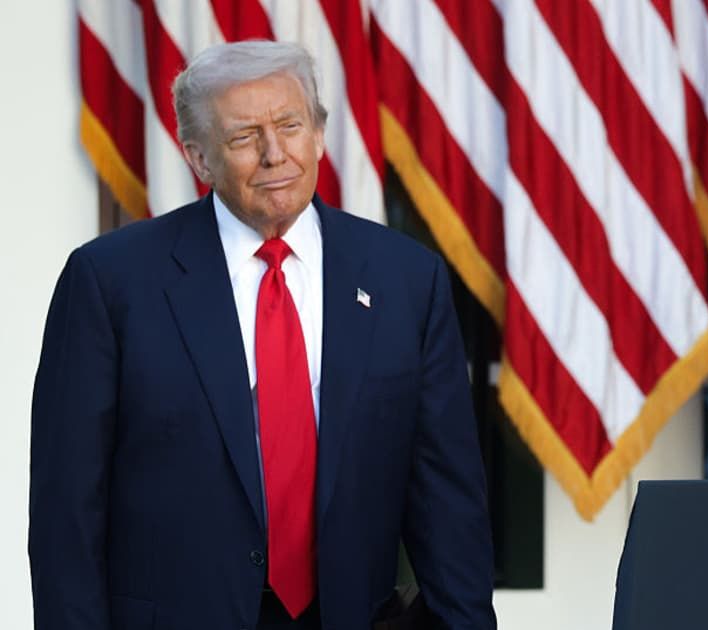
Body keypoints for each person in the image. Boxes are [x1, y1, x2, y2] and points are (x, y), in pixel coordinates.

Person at [30, 41, 496, 629]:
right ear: (200, 159)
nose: (275, 153)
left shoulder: (407, 279)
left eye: (290, 125)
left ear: (320, 134)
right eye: (245, 137)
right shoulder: (109, 282)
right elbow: (65, 512)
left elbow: (448, 504)